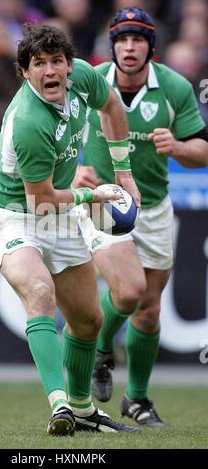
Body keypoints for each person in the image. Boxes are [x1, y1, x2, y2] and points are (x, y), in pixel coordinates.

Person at [0, 24, 141, 436]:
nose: (50, 70)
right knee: (39, 292)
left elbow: (113, 108)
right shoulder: (28, 121)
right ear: (25, 72)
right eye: (39, 64)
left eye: (56, 62)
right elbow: (41, 200)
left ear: (69, 65)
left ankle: (84, 409)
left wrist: (122, 172)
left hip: (61, 213)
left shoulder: (84, 77)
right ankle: (60, 405)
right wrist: (92, 197)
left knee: (88, 322)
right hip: (14, 216)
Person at [74, 7, 208, 427]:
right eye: (122, 39)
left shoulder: (174, 87)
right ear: (111, 45)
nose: (129, 47)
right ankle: (99, 349)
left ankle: (137, 400)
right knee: (128, 294)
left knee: (149, 311)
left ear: (152, 46)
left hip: (153, 207)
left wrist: (180, 148)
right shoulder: (90, 82)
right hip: (104, 202)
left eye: (138, 40)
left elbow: (202, 152)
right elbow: (58, 132)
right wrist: (73, 169)